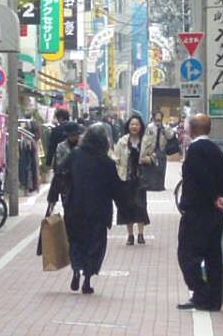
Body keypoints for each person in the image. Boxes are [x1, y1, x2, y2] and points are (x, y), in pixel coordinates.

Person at [57, 123, 125, 294]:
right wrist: (124, 205)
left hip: (75, 207)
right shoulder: (107, 162)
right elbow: (116, 188)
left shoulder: (75, 155)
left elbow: (59, 173)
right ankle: (87, 278)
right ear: (104, 141)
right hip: (99, 211)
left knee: (76, 241)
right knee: (95, 244)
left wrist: (53, 199)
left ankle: (76, 269)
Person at [177, 114, 223, 311]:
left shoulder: (195, 151)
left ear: (192, 129)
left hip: (197, 212)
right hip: (215, 214)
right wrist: (221, 196)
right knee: (213, 257)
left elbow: (201, 178)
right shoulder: (217, 151)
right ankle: (214, 299)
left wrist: (211, 196)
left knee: (187, 254)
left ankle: (201, 293)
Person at [113, 115, 157, 245]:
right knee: (127, 207)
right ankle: (130, 235)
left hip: (140, 179)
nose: (134, 127)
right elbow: (116, 159)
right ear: (128, 126)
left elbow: (154, 156)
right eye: (132, 124)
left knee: (141, 206)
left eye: (136, 124)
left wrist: (147, 159)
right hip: (125, 178)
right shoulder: (122, 141)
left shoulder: (146, 141)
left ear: (140, 126)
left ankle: (141, 234)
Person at [47, 122, 83, 206]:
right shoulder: (61, 146)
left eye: (76, 135)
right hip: (66, 180)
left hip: (81, 179)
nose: (74, 137)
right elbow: (60, 162)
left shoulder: (83, 144)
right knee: (67, 204)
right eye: (71, 135)